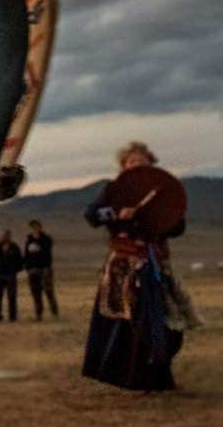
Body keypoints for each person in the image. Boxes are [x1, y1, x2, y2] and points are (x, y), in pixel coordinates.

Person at [81, 142, 198, 391]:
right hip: (122, 268)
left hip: (155, 265)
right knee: (126, 325)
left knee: (166, 325)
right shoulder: (113, 191)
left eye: (140, 162)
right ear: (123, 166)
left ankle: (159, 375)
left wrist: (156, 219)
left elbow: (178, 226)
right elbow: (92, 215)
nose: (135, 165)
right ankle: (133, 378)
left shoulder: (163, 192)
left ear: (150, 165)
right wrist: (117, 213)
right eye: (131, 162)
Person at [23, 219, 57, 319]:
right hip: (32, 270)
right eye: (32, 227)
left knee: (48, 291)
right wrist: (27, 267)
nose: (35, 228)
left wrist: (47, 266)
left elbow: (47, 254)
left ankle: (54, 312)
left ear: (40, 227)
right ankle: (38, 314)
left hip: (44, 269)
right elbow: (26, 255)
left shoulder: (46, 239)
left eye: (36, 226)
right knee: (36, 293)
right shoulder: (28, 240)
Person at [0, 229, 23, 321]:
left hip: (10, 275)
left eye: (6, 235)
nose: (4, 237)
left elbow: (20, 261)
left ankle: (12, 317)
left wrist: (15, 271)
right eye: (3, 235)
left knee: (12, 297)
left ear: (9, 236)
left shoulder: (14, 247)